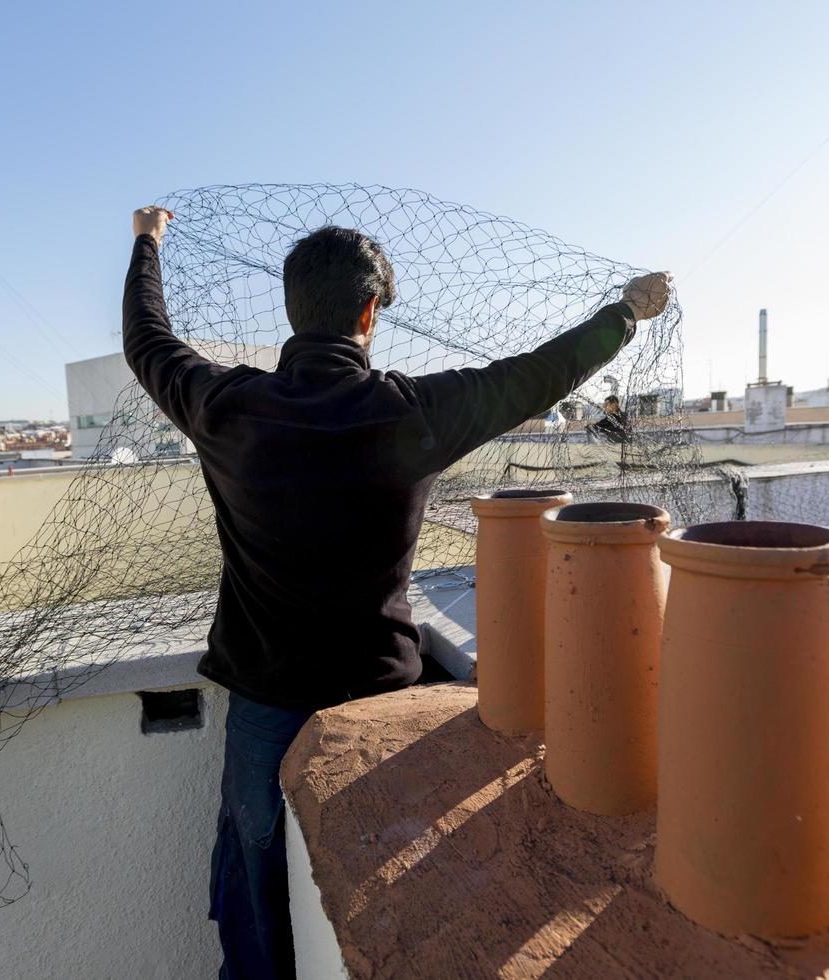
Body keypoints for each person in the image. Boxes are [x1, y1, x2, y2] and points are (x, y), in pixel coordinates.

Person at [122, 206, 671, 979]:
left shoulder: (226, 405)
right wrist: (625, 313)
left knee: (255, 878)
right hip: (377, 706)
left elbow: (147, 340)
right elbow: (536, 375)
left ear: (291, 307)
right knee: (383, 892)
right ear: (369, 311)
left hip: (265, 705)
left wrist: (147, 243)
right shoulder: (412, 412)